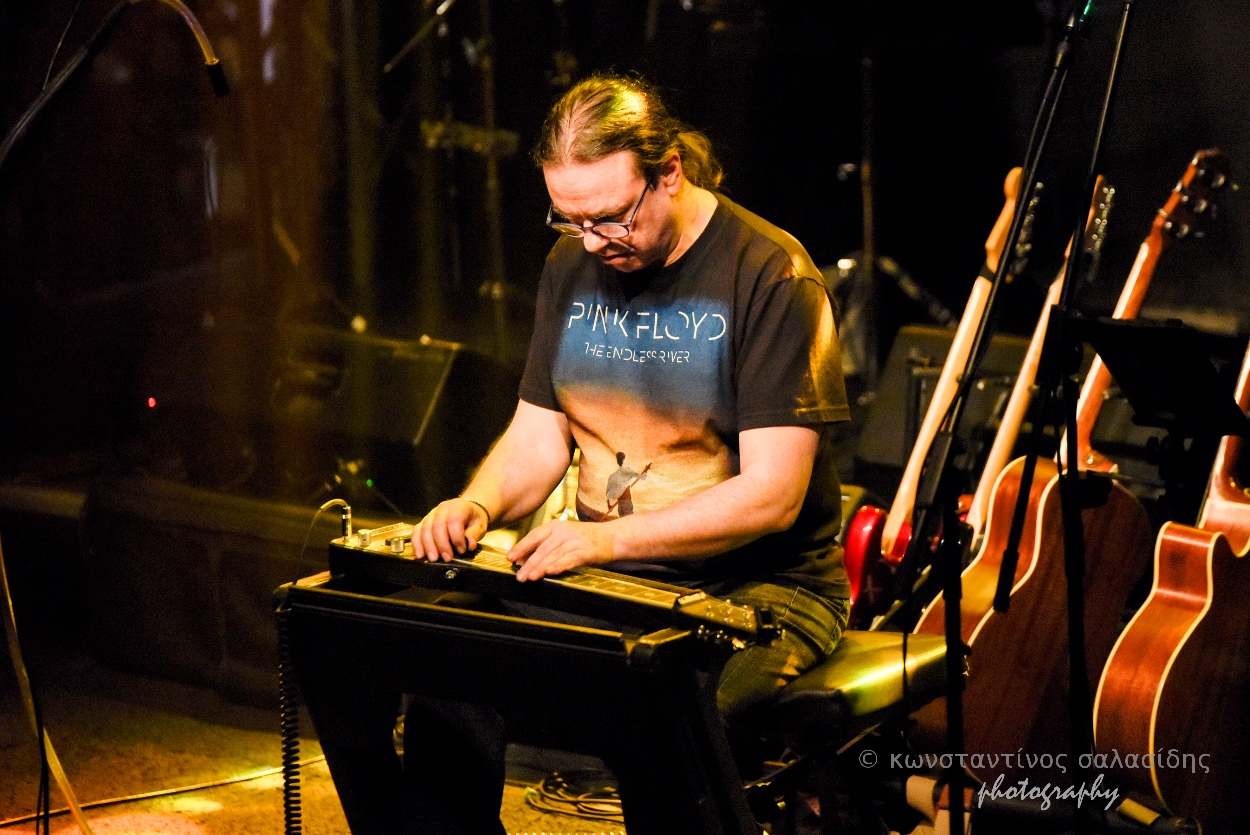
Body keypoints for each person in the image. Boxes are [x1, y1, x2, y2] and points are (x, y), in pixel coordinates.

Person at [332, 73, 853, 834]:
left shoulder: (771, 275)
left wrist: (604, 539)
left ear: (669, 172)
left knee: (665, 720)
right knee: (448, 672)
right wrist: (478, 503)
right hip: (609, 574)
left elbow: (772, 495)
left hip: (762, 590)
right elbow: (538, 436)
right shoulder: (572, 265)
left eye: (612, 216)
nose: (595, 241)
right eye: (570, 219)